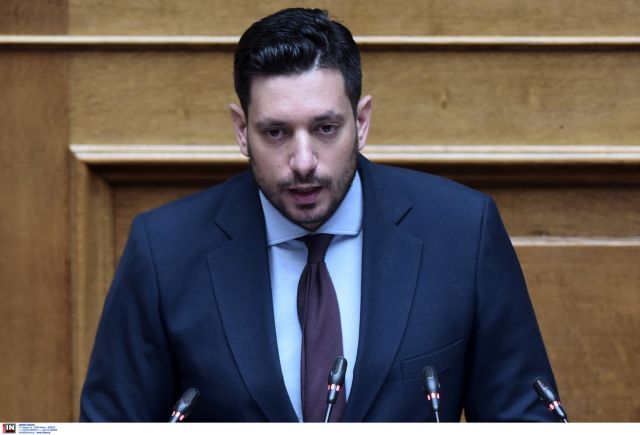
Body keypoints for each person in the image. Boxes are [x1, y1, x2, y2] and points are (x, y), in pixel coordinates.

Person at [80, 8, 560, 422]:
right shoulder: (165, 251)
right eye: (276, 133)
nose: (304, 161)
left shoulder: (461, 232)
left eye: (326, 128)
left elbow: (526, 417)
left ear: (362, 122)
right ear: (242, 131)